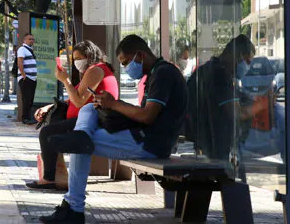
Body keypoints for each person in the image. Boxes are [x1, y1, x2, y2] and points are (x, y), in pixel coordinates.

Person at [39, 35, 187, 223]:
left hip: (150, 143)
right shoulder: (156, 73)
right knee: (88, 111)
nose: (126, 68)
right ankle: (82, 134)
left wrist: (114, 104)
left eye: (126, 62)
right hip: (140, 136)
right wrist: (110, 104)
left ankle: (74, 209)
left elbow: (147, 116)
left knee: (79, 144)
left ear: (140, 55)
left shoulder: (164, 74)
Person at [26, 40, 119, 190]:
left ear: (89, 56)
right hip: (85, 118)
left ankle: (49, 178)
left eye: (78, 58)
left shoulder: (96, 70)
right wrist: (49, 106)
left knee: (47, 133)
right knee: (50, 128)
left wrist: (65, 80)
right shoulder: (92, 70)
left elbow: (79, 101)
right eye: (74, 59)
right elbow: (73, 98)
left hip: (94, 120)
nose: (77, 63)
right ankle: (54, 175)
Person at [186, 34, 255, 180]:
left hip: (203, 143)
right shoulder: (220, 75)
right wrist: (262, 105)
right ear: (238, 56)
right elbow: (237, 113)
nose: (247, 66)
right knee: (236, 186)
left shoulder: (206, 70)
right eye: (247, 61)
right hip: (218, 147)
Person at [17, 33, 38, 124]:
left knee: (30, 99)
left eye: (33, 39)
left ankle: (28, 117)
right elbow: (20, 62)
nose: (32, 41)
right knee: (26, 98)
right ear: (24, 40)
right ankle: (25, 118)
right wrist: (24, 75)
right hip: (26, 78)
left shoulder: (30, 50)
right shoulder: (22, 49)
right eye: (30, 39)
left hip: (32, 78)